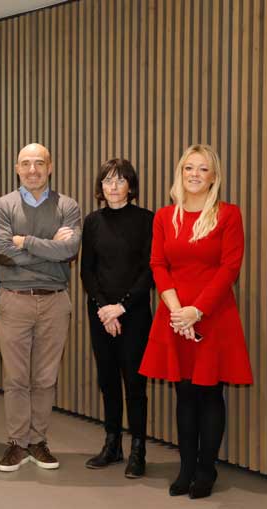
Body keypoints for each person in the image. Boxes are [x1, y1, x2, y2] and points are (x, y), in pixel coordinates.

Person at [139, 144, 252, 499]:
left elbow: (229, 267)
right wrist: (176, 311)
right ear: (180, 172)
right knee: (184, 392)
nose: (195, 175)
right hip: (174, 315)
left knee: (209, 391)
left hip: (213, 314)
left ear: (214, 176)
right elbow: (159, 265)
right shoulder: (164, 217)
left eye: (203, 169)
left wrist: (196, 311)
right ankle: (186, 467)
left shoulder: (228, 215)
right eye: (189, 168)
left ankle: (207, 469)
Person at [0, 142, 81, 472]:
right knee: (15, 378)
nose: (32, 169)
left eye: (39, 163)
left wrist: (24, 243)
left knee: (45, 378)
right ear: (17, 169)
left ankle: (38, 441)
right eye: (25, 163)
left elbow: (69, 251)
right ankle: (16, 442)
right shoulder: (3, 206)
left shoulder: (67, 206)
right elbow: (1, 250)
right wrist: (50, 249)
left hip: (56, 302)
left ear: (50, 166)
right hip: (14, 301)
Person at [80, 158, 154, 478]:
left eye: (120, 180)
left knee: (134, 383)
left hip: (134, 314)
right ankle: (112, 444)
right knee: (107, 380)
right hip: (100, 313)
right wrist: (104, 308)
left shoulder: (146, 220)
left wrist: (121, 307)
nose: (112, 186)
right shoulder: (93, 221)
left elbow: (149, 271)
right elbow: (87, 271)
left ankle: (138, 449)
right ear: (100, 187)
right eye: (107, 180)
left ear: (130, 186)